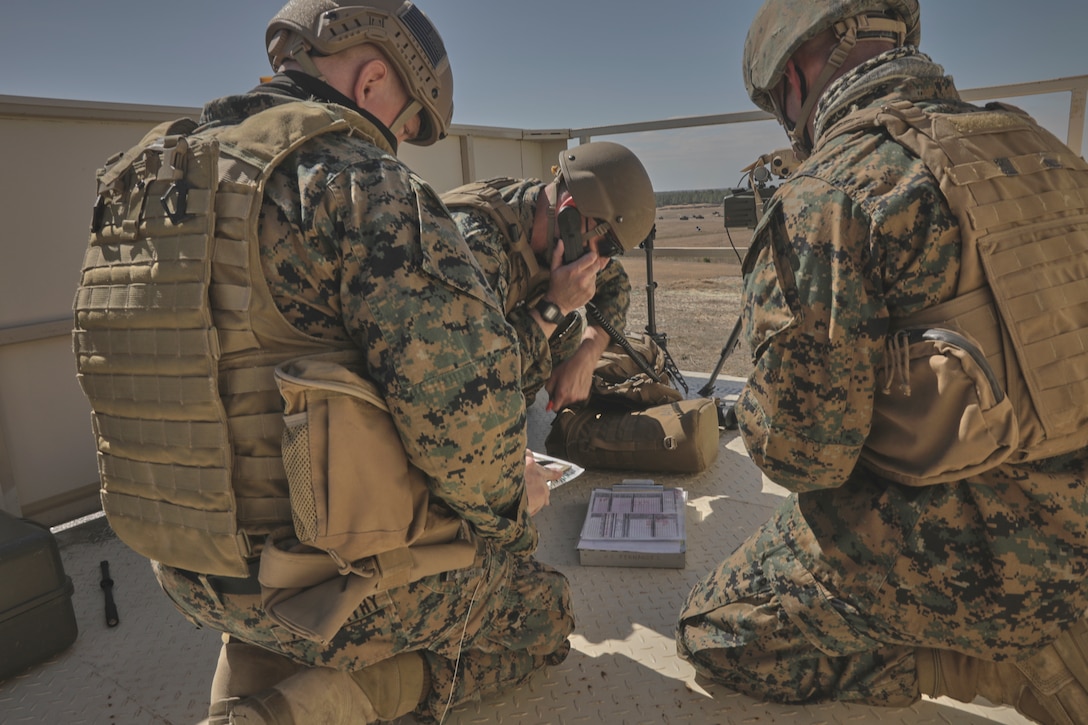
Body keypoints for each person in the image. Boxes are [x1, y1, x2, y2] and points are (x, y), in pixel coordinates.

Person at [72, 1, 573, 723]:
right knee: (540, 610)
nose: (396, 144)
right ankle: (316, 704)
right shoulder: (357, 180)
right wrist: (511, 510)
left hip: (178, 567)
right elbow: (466, 425)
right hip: (307, 581)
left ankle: (259, 664)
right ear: (374, 81)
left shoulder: (139, 183)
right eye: (404, 127)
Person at [675, 1, 1088, 724]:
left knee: (719, 627)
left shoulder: (830, 192)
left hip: (994, 554)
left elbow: (807, 460)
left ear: (797, 71)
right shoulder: (1041, 147)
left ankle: (990, 655)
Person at [441, 141, 655, 411]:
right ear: (569, 211)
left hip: (491, 368)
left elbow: (616, 284)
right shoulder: (476, 246)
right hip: (452, 391)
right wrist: (555, 306)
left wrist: (588, 355)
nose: (601, 264)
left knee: (568, 328)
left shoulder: (563, 236)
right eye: (606, 246)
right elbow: (470, 380)